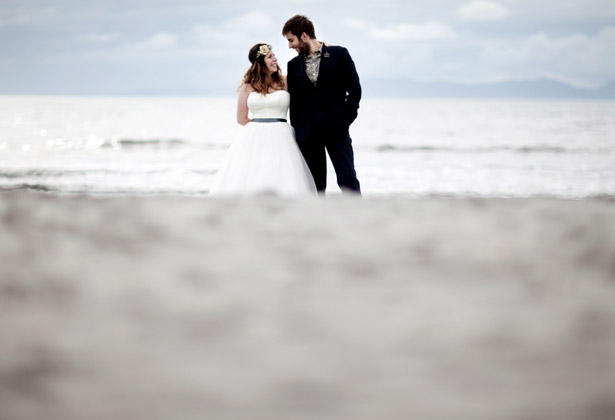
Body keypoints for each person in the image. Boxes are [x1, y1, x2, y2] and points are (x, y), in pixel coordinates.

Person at [209, 43, 317, 197]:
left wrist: (320, 48)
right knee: (255, 173)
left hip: (282, 136)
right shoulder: (247, 86)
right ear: (260, 62)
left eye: (274, 55)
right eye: (270, 57)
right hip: (255, 137)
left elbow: (310, 76)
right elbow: (241, 118)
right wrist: (261, 131)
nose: (275, 59)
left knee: (283, 173)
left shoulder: (285, 81)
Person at [282, 14, 362, 195]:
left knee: (347, 178)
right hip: (308, 134)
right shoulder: (293, 65)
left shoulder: (339, 54)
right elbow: (295, 102)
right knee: (315, 185)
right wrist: (299, 131)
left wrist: (345, 119)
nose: (290, 45)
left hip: (336, 128)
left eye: (291, 40)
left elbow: (355, 90)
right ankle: (318, 219)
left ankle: (358, 216)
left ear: (304, 35)